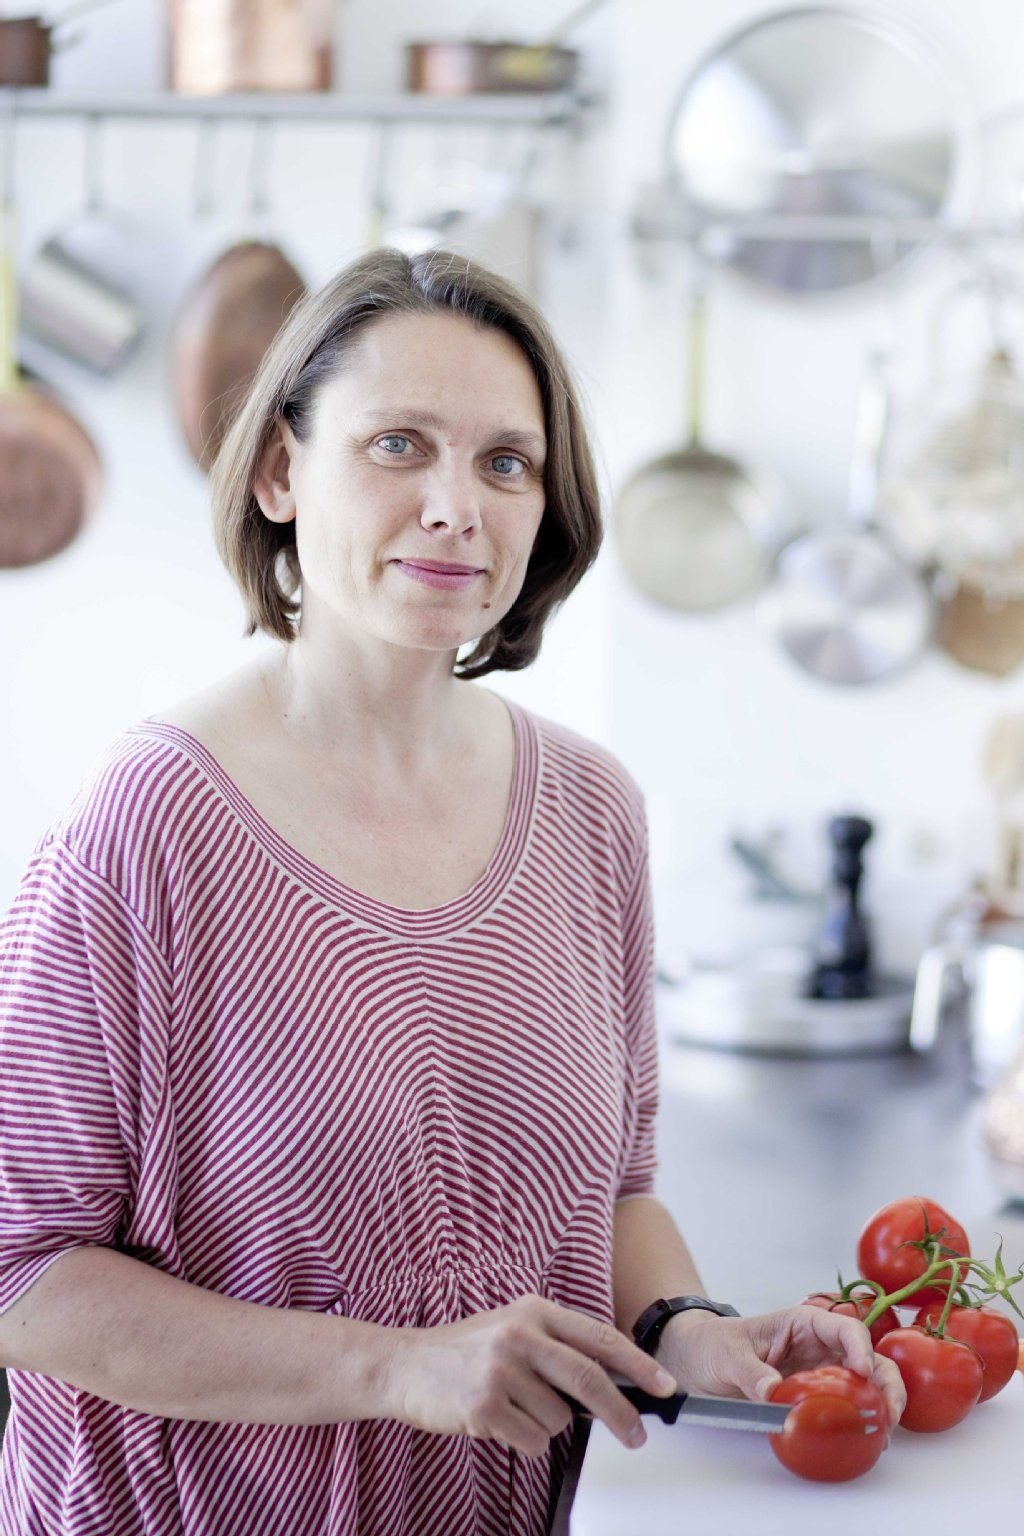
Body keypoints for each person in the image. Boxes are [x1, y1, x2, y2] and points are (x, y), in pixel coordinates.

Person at [0, 247, 904, 1536]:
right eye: (398, 446)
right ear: (278, 474)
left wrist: (684, 1327)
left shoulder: (591, 809)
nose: (455, 507)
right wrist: (395, 1369)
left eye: (505, 463)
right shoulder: (145, 829)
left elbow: (616, 1193)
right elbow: (23, 1276)